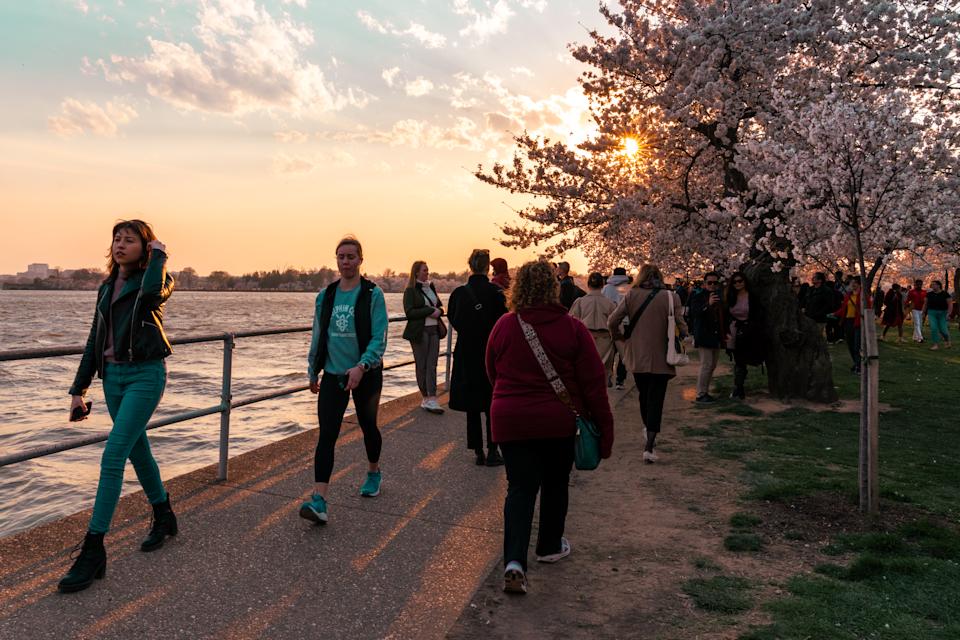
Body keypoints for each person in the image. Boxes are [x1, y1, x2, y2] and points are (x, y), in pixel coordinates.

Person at [59, 220, 176, 593]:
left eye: (130, 240)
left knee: (112, 458)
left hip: (145, 375)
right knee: (137, 451)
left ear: (145, 249)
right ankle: (164, 515)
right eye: (117, 239)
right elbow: (96, 337)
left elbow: (154, 293)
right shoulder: (107, 286)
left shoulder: (155, 279)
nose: (120, 245)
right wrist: (79, 388)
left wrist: (159, 254)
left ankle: (94, 550)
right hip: (113, 378)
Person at [485, 261, 614, 595]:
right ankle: (549, 546)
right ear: (553, 287)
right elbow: (593, 386)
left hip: (510, 419)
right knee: (556, 483)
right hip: (556, 420)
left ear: (518, 288)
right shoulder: (572, 329)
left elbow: (492, 371)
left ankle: (514, 561)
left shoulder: (504, 325)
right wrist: (606, 434)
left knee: (520, 488)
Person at [300, 236, 388, 526]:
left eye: (351, 256)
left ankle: (374, 472)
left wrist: (362, 366)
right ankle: (319, 499)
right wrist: (313, 369)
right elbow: (318, 334)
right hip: (333, 375)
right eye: (341, 257)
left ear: (361, 259)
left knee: (368, 426)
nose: (346, 261)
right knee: (327, 435)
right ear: (336, 260)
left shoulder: (372, 294)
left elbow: (379, 337)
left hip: (365, 373)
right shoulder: (325, 296)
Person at [607, 264, 687, 463]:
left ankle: (648, 430)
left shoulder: (632, 295)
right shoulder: (671, 297)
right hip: (663, 354)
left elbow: (612, 321)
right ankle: (649, 445)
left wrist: (619, 337)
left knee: (644, 396)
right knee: (656, 399)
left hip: (638, 353)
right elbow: (681, 325)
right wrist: (682, 334)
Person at [448, 249, 508, 466]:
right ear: (487, 267)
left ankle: (477, 450)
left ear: (470, 265)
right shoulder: (496, 293)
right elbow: (504, 323)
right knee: (492, 400)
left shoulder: (459, 293)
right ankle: (494, 449)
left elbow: (453, 319)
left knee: (472, 402)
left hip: (466, 351)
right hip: (490, 351)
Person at [402, 260, 444, 414]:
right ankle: (426, 397)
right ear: (416, 272)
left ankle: (432, 398)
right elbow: (409, 312)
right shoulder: (410, 291)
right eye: (425, 270)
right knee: (422, 365)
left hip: (434, 330)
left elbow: (438, 305)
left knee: (432, 364)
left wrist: (440, 310)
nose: (427, 273)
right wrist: (428, 311)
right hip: (420, 332)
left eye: (428, 270)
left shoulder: (430, 287)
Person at [569, 272, 618, 380]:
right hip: (605, 341)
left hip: (585, 339)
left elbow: (571, 323)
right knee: (602, 375)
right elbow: (616, 326)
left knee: (585, 374)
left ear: (588, 284)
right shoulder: (610, 303)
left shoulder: (580, 302)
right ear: (603, 284)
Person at [687, 271, 726, 403]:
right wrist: (707, 305)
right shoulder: (698, 296)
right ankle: (701, 393)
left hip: (716, 336)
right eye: (709, 283)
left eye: (715, 283)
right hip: (704, 335)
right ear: (704, 284)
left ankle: (705, 391)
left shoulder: (720, 296)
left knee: (712, 365)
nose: (712, 285)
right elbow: (695, 313)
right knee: (706, 364)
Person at [725, 271, 764, 399]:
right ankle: (738, 387)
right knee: (739, 360)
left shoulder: (751, 296)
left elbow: (757, 313)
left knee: (742, 359)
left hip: (749, 330)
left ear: (745, 281)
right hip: (735, 330)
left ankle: (739, 387)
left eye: (740, 281)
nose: (738, 284)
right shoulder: (730, 296)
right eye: (735, 282)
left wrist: (750, 326)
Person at [829, 276, 866, 374]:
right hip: (848, 322)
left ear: (859, 284)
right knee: (850, 344)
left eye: (855, 283)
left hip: (858, 322)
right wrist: (834, 313)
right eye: (851, 283)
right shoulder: (848, 295)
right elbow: (843, 309)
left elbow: (868, 307)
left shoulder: (863, 296)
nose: (853, 285)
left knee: (857, 345)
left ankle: (859, 366)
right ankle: (857, 363)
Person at [602, 267, 632, 389]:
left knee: (610, 351)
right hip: (625, 322)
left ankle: (608, 375)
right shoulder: (628, 288)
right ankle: (620, 380)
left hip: (610, 323)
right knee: (623, 352)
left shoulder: (606, 288)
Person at [922, 280, 952, 350]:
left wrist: (949, 314)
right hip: (932, 313)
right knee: (934, 328)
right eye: (931, 284)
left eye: (934, 284)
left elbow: (950, 304)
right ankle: (935, 345)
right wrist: (923, 313)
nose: (932, 286)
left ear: (939, 285)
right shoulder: (929, 294)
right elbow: (925, 304)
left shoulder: (945, 294)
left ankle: (947, 340)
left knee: (943, 330)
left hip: (943, 313)